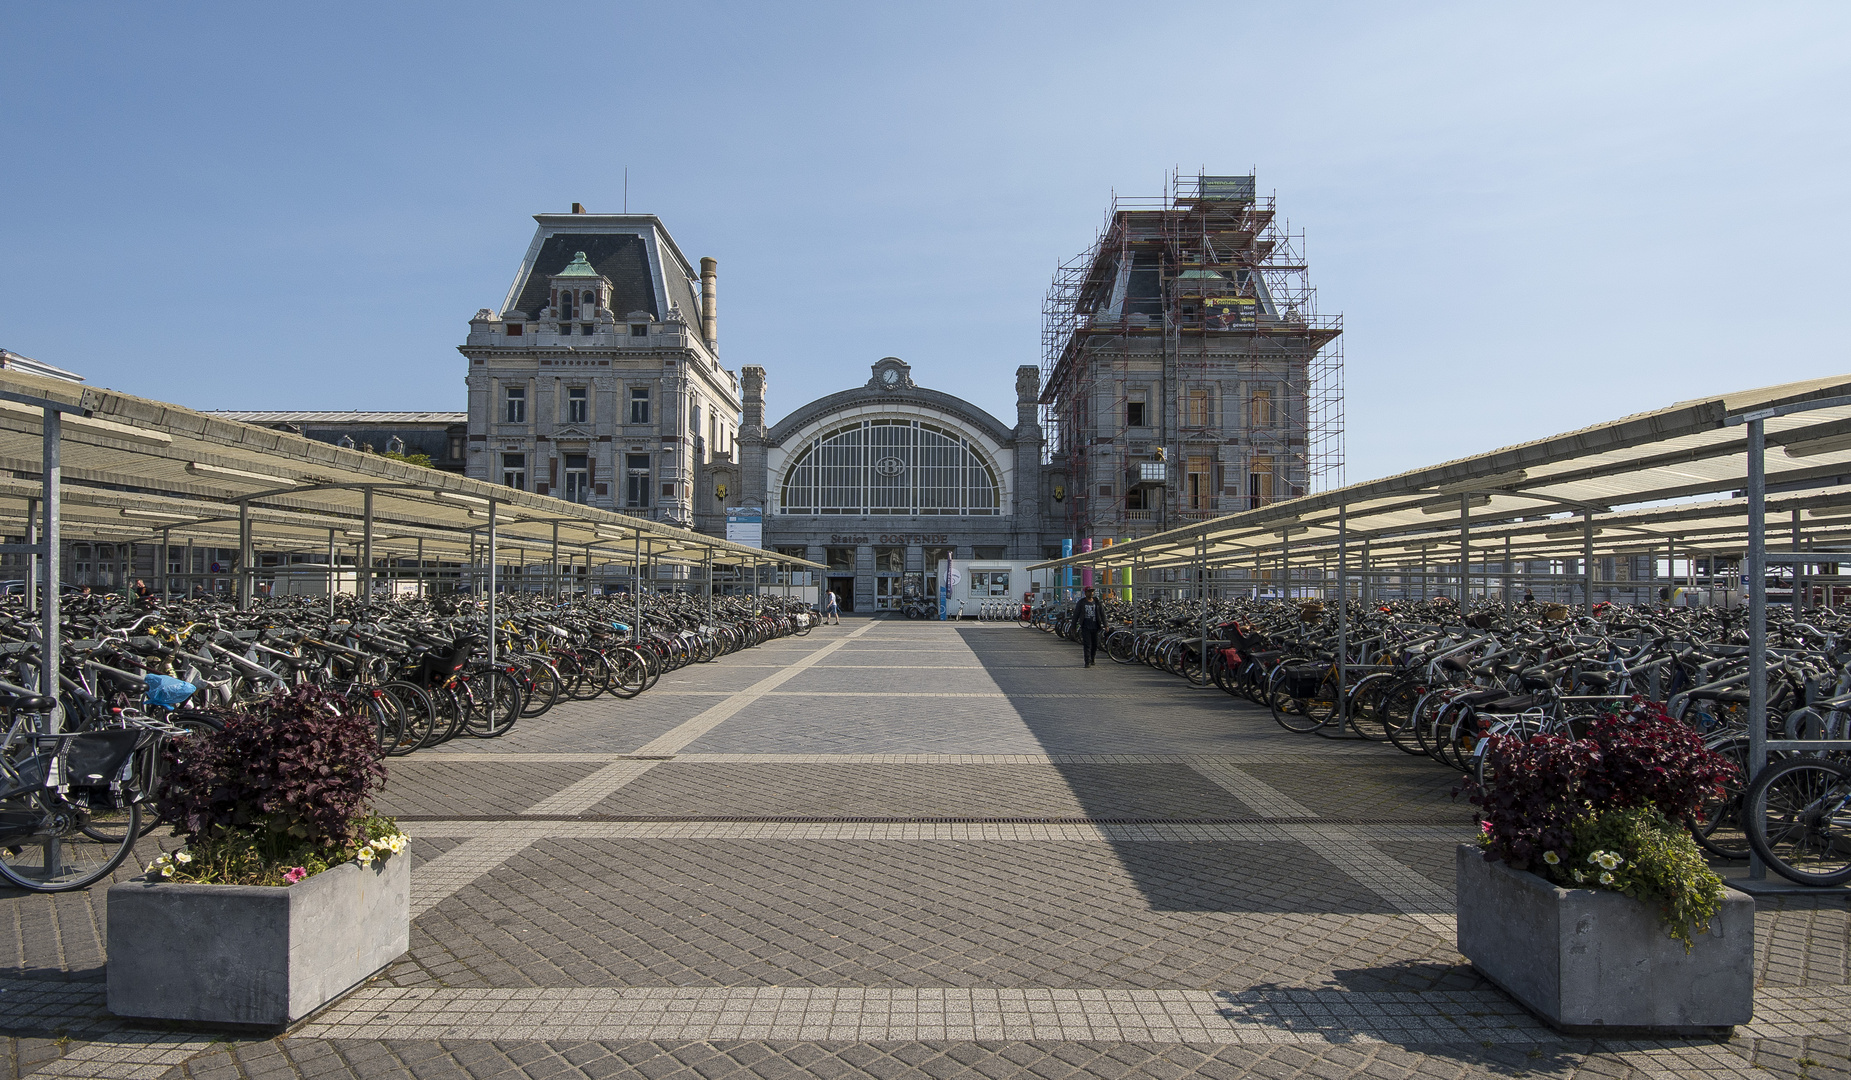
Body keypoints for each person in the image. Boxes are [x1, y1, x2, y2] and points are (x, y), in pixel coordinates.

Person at [1074, 585, 1106, 667]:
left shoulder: (1097, 602)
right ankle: (1087, 661)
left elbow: (1102, 614)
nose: (1091, 593)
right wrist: (1073, 626)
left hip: (1095, 626)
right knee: (1087, 644)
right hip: (1085, 626)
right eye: (1089, 591)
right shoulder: (1081, 603)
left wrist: (1106, 625)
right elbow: (1076, 614)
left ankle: (1092, 658)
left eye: (1092, 591)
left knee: (1095, 644)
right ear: (1085, 593)